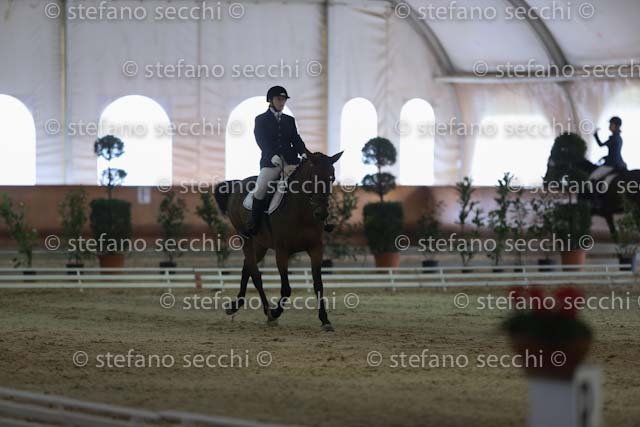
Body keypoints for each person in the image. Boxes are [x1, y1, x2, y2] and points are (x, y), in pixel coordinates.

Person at [243, 86, 307, 237]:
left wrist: (304, 152)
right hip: (271, 163)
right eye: (279, 99)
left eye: (284, 99)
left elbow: (296, 139)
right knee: (260, 189)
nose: (282, 102)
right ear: (270, 100)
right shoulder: (261, 119)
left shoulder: (289, 120)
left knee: (308, 184)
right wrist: (271, 155)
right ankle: (255, 224)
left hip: (291, 161)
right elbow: (261, 140)